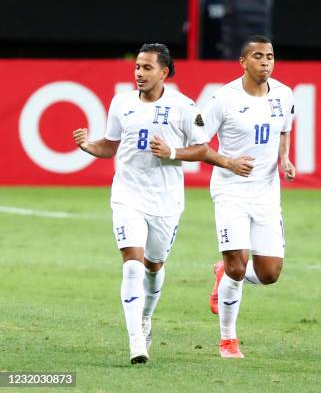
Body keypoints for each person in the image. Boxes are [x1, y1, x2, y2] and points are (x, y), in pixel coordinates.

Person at [72, 43, 253, 365]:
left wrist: (173, 151)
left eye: (146, 68)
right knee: (132, 263)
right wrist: (88, 145)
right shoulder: (122, 103)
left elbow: (201, 149)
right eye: (137, 67)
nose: (139, 73)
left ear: (164, 72)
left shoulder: (183, 107)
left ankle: (146, 316)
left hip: (166, 202)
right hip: (127, 196)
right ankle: (136, 341)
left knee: (154, 266)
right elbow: (110, 146)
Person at [203, 34, 296, 358]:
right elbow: (200, 142)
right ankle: (228, 340)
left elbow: (284, 128)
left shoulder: (284, 95)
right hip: (230, 190)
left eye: (270, 56)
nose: (265, 62)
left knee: (269, 274)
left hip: (267, 194)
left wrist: (284, 158)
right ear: (243, 62)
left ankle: (222, 271)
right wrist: (228, 161)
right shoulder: (223, 99)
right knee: (238, 268)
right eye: (258, 57)